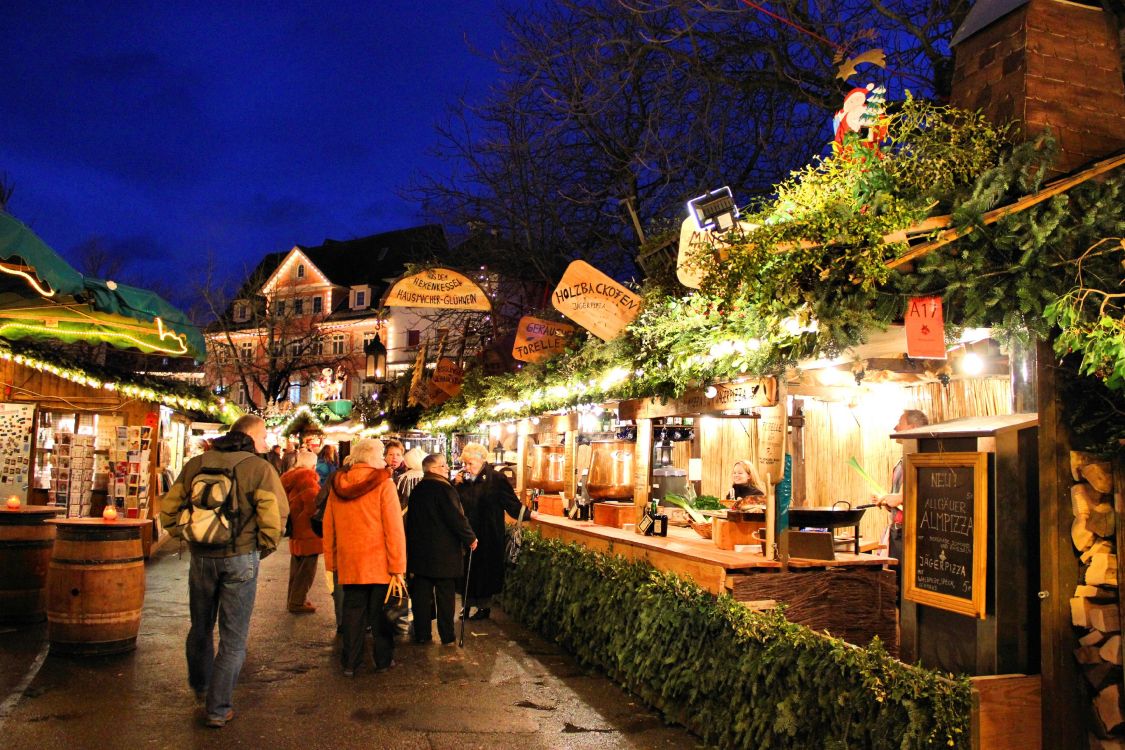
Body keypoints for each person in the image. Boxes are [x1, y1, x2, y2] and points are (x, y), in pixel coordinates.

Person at [158, 415, 288, 729]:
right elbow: (275, 517)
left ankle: (201, 687)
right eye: (264, 436)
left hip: (201, 557)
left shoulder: (196, 464)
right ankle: (217, 708)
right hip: (240, 557)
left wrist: (186, 536)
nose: (267, 441)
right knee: (234, 637)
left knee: (200, 626)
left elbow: (169, 510)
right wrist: (261, 549)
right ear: (252, 437)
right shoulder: (259, 468)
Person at [323, 439, 406, 676]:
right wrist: (398, 566)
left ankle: (350, 662)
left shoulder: (338, 483)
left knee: (352, 614)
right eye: (381, 454)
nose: (384, 458)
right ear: (371, 456)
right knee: (380, 615)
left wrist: (332, 561)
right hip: (380, 564)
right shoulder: (384, 484)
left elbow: (329, 527)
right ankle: (383, 660)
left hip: (350, 562)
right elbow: (393, 529)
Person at [407, 453, 477, 645]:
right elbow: (456, 517)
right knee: (445, 595)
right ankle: (447, 635)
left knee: (421, 595)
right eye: (443, 466)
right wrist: (470, 537)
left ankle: (422, 634)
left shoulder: (418, 489)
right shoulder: (444, 489)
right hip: (443, 553)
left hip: (420, 553)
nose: (447, 469)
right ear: (433, 469)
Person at [454, 442, 526, 620]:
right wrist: (455, 484)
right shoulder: (463, 480)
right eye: (465, 464)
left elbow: (511, 502)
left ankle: (483, 607)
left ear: (482, 461)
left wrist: (525, 514)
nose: (467, 467)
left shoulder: (496, 479)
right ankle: (467, 604)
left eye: (471, 463)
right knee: (468, 570)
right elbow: (454, 502)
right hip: (468, 533)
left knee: (485, 571)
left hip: (489, 533)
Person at [875, 409, 930, 587]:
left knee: (909, 584)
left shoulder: (924, 458)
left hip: (913, 533)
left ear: (912, 428)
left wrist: (900, 498)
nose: (895, 427)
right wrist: (888, 501)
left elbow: (927, 491)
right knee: (896, 584)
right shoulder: (902, 460)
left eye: (900, 423)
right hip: (897, 531)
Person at [281, 450, 322, 613]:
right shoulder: (308, 478)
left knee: (296, 566)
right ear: (313, 464)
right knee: (307, 569)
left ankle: (293, 599)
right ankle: (297, 602)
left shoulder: (288, 478)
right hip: (308, 530)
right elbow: (312, 505)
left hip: (295, 528)